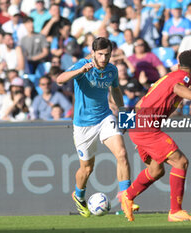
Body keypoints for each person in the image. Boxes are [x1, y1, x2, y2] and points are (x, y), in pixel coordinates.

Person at [120, 50, 191, 222]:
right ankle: (175, 211)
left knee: (156, 170)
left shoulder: (167, 77)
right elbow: (178, 88)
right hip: (146, 129)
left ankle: (127, 196)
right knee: (181, 162)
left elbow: (141, 102)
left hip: (139, 126)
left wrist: (128, 125)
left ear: (178, 61)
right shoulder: (183, 78)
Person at [56, 37, 138, 218]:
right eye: (100, 54)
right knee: (86, 169)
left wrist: (123, 114)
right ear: (93, 53)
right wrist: (80, 71)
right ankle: (79, 196)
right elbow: (59, 79)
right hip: (83, 125)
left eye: (107, 54)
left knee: (122, 154)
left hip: (105, 117)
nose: (103, 58)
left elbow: (116, 90)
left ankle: (126, 198)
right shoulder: (82, 65)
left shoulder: (112, 70)